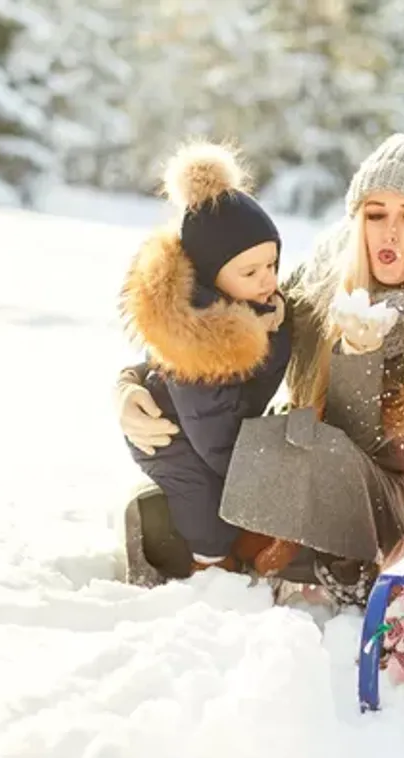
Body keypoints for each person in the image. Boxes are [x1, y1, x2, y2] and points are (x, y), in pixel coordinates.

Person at [116, 126, 404, 608]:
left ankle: (312, 562)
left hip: (382, 491)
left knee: (299, 448)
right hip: (296, 456)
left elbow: (360, 438)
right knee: (191, 485)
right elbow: (220, 330)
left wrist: (357, 358)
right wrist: (133, 385)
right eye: (375, 213)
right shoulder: (322, 288)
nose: (389, 232)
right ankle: (230, 550)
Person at [117, 140, 290, 575]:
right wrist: (261, 483)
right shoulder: (200, 348)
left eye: (272, 264)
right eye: (250, 273)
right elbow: (215, 440)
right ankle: (204, 566)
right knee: (206, 508)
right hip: (172, 437)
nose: (268, 279)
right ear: (212, 280)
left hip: (216, 431)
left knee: (227, 496)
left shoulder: (260, 309)